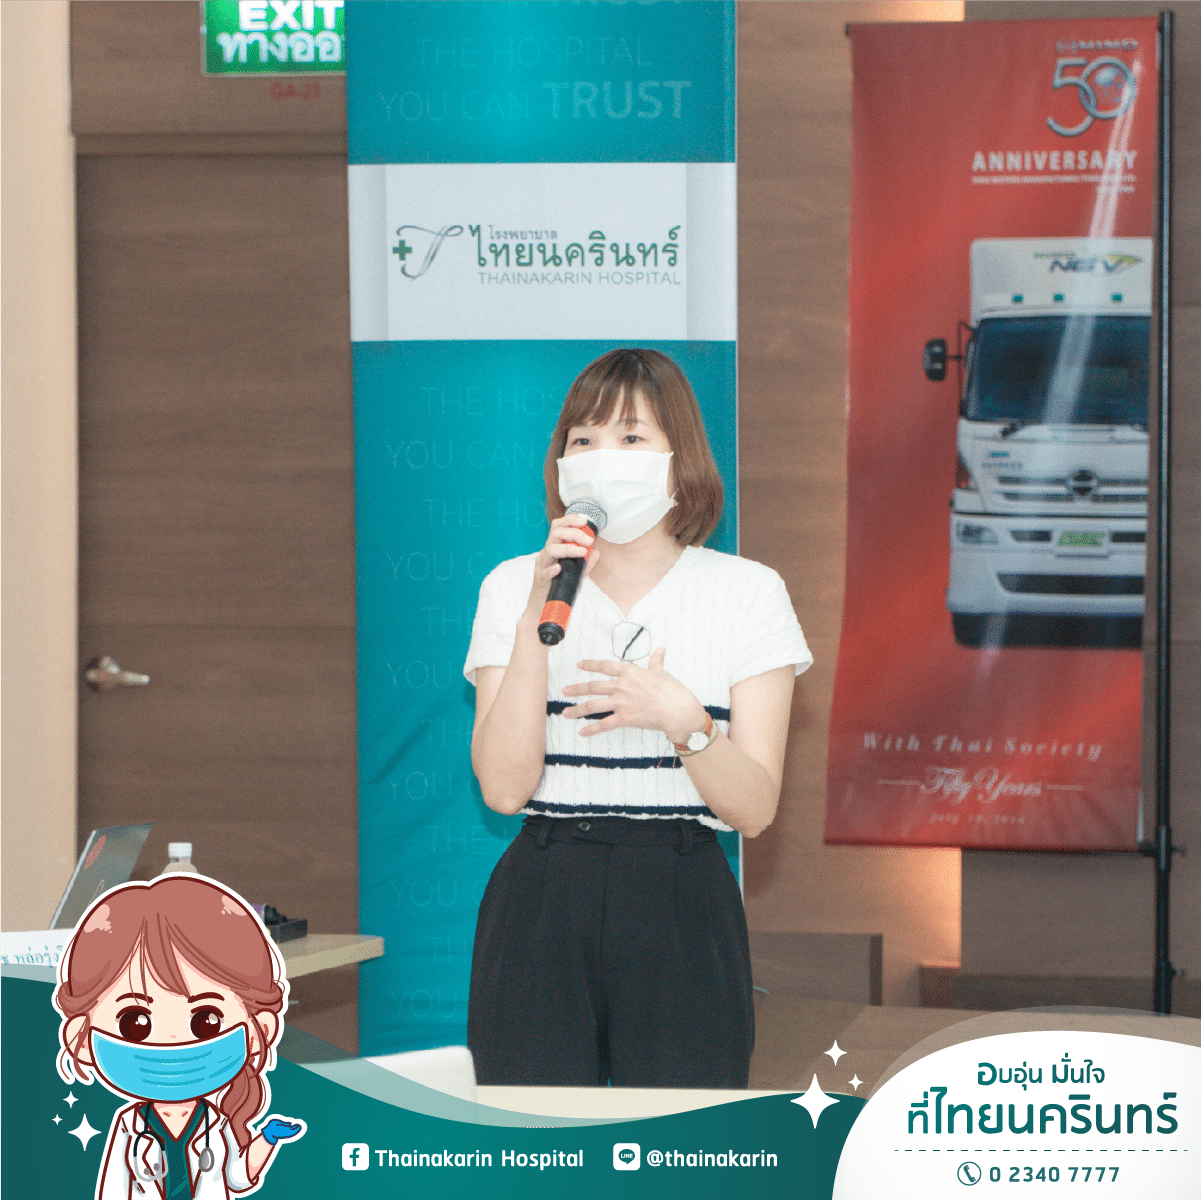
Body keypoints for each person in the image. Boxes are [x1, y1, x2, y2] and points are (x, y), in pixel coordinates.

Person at [464, 347, 812, 1088]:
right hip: (543, 890)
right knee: (536, 1139)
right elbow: (501, 789)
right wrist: (531, 622)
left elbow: (754, 810)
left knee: (680, 1138)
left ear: (678, 457)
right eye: (582, 439)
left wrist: (685, 722)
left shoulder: (747, 592)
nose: (601, 458)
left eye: (629, 437)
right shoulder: (512, 586)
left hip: (683, 894)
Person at [53, 875, 305, 1198]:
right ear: (82, 1037)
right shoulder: (129, 1125)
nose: (172, 1040)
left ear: (259, 1032)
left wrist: (267, 1140)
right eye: (135, 1024)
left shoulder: (214, 1123)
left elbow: (237, 1177)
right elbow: (113, 1188)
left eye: (206, 1022)